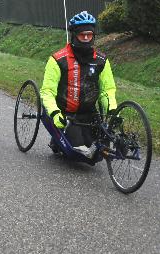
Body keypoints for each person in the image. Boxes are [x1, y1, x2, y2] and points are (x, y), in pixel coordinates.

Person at [40, 11, 117, 158]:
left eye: (89, 34)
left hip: (90, 114)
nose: (86, 38)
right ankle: (58, 140)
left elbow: (107, 90)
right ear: (74, 35)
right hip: (66, 114)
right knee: (78, 153)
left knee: (100, 152)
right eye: (82, 35)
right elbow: (47, 91)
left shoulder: (101, 61)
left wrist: (112, 108)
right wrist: (55, 113)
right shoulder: (57, 59)